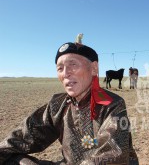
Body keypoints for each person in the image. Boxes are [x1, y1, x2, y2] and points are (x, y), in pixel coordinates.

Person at [0, 41, 139, 164]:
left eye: (73, 65)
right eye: (60, 68)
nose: (65, 73)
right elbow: (25, 135)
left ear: (94, 68)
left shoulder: (112, 104)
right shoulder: (58, 105)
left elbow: (113, 154)